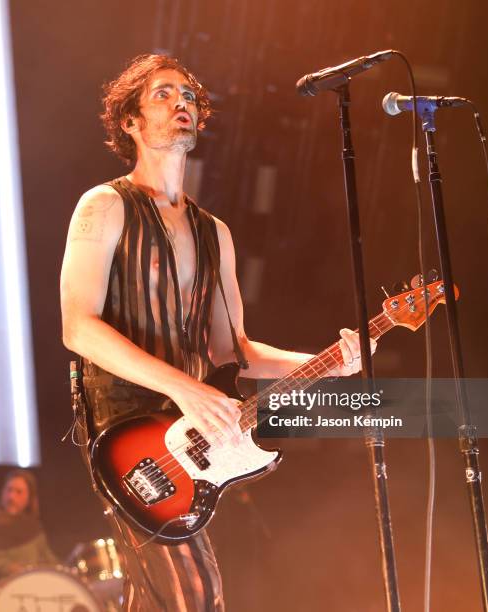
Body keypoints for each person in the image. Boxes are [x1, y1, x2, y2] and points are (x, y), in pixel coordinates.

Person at [60, 53, 375, 611]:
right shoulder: (104, 205)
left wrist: (332, 360)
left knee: (169, 595)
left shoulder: (215, 234)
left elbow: (234, 351)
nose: (180, 104)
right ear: (129, 121)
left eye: (188, 97)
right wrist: (185, 387)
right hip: (127, 427)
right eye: (163, 94)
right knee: (192, 592)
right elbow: (78, 327)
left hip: (190, 429)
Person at [0, 469, 57, 578]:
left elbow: (51, 561)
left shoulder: (35, 530)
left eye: (18, 492)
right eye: (9, 490)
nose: (11, 497)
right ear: (2, 493)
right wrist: (11, 568)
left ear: (29, 498)